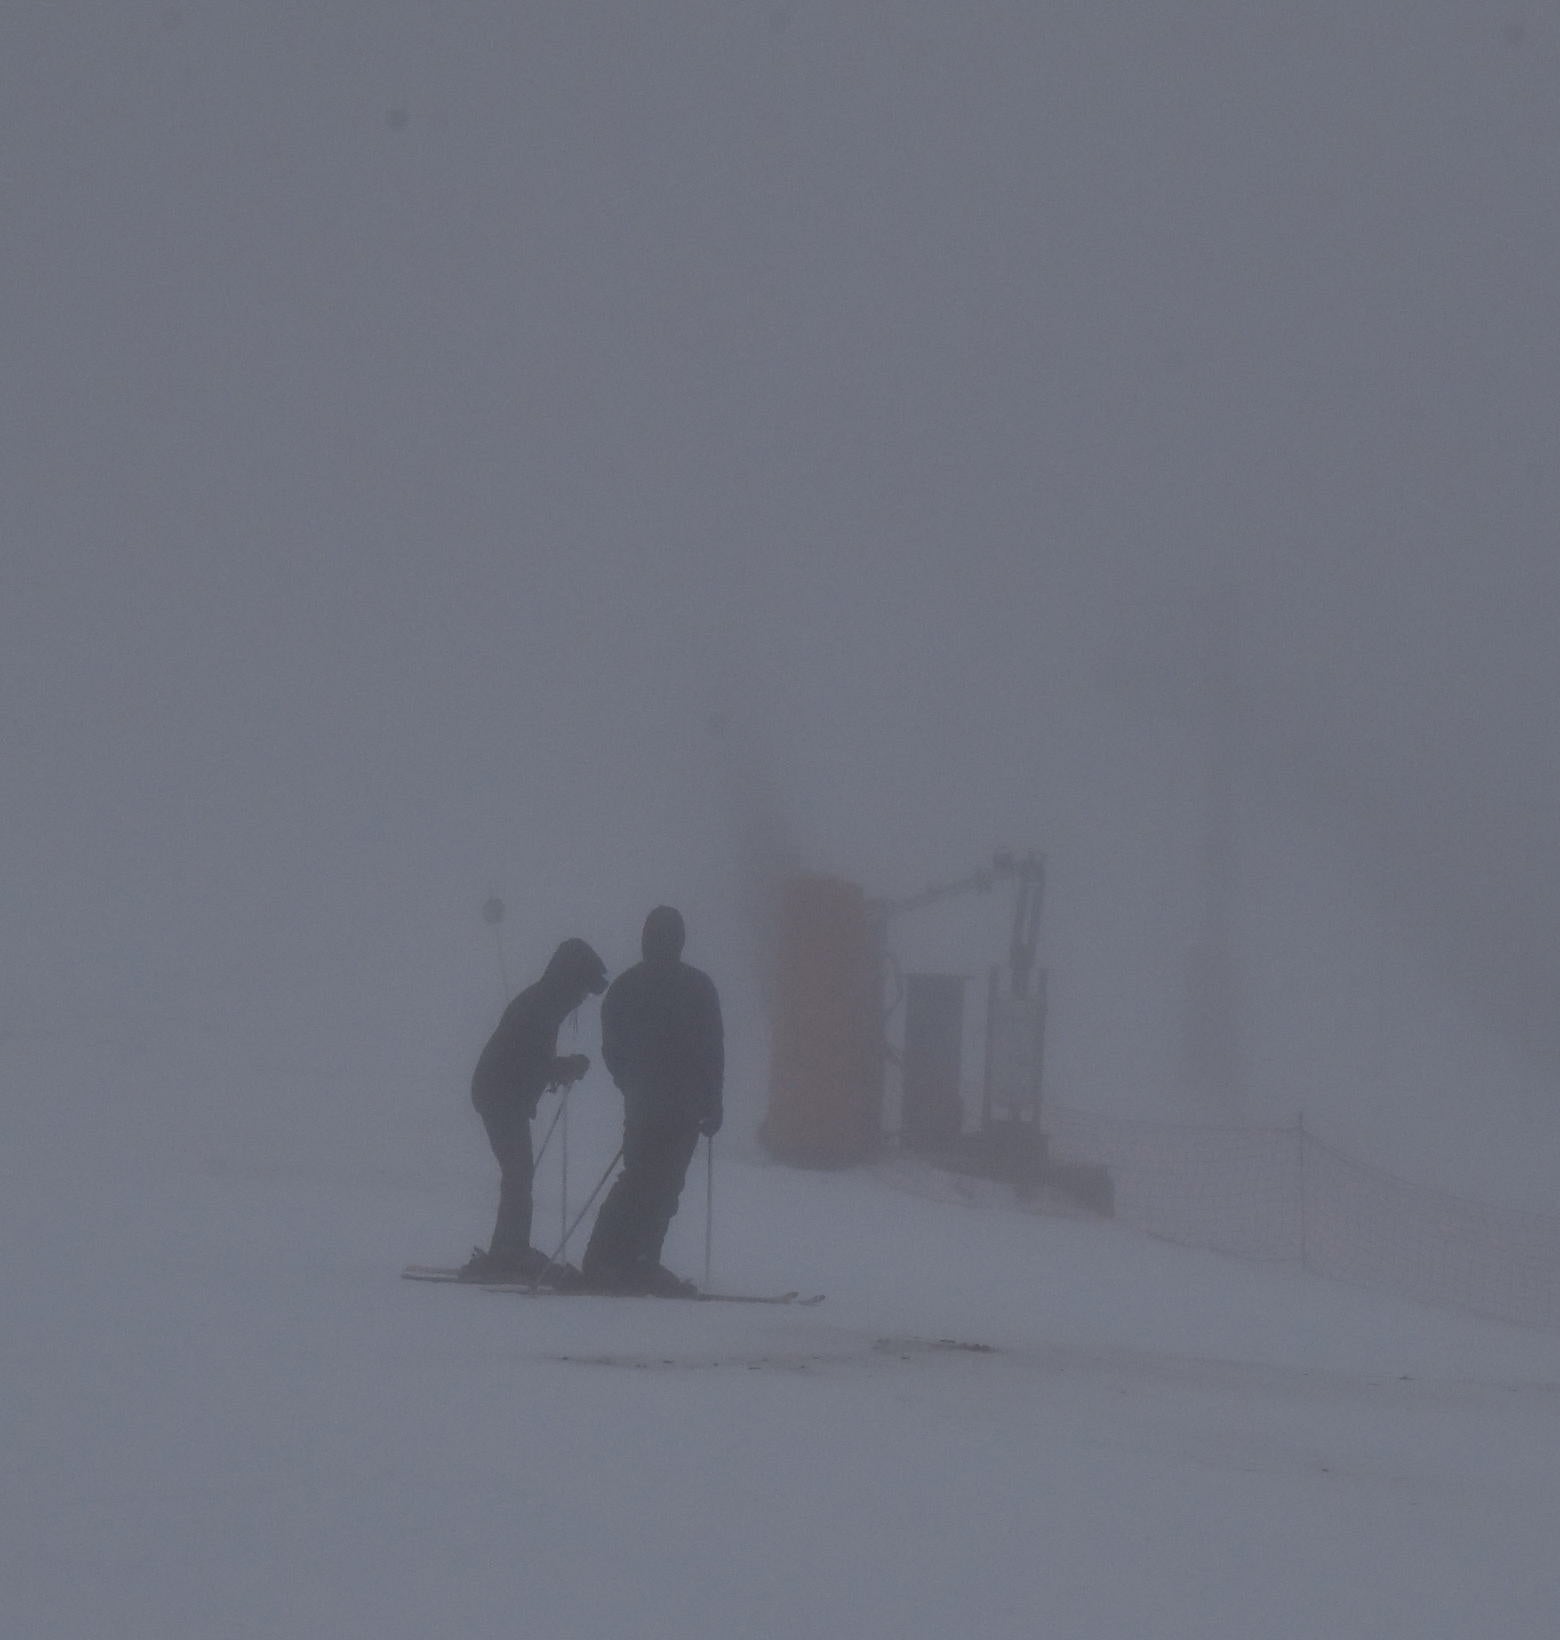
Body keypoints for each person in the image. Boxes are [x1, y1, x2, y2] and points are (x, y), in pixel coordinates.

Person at [582, 906, 723, 1295]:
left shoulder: (627, 986)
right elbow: (713, 1051)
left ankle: (610, 1260)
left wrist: (630, 1083)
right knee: (660, 1185)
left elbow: (613, 1048)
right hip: (680, 1105)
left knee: (640, 1181)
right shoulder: (698, 986)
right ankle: (633, 1260)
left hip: (650, 1103)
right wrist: (713, 1101)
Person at [461, 936, 608, 1283]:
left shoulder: (544, 1001)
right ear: (571, 980)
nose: (582, 998)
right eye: (583, 989)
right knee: (518, 1173)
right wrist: (563, 1068)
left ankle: (508, 1248)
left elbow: (528, 1062)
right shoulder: (541, 1006)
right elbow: (527, 1064)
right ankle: (509, 1252)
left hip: (498, 1092)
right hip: (499, 1094)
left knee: (518, 1173)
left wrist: (559, 1068)